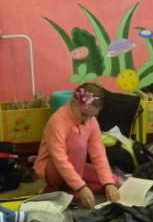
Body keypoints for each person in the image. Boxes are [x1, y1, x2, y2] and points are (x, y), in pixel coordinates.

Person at [35, 82, 120, 210]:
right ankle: (67, 188)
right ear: (73, 102)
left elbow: (99, 154)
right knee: (78, 143)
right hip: (52, 169)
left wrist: (108, 183)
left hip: (76, 167)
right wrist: (81, 187)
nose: (87, 120)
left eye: (92, 116)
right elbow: (60, 159)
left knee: (114, 181)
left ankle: (65, 192)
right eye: (84, 114)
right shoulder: (58, 120)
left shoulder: (90, 120)